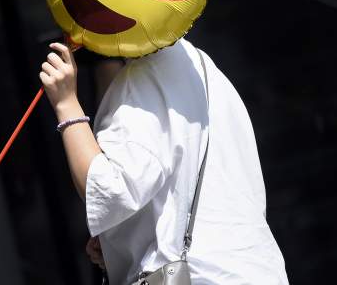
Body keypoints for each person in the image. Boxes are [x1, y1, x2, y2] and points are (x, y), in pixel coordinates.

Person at [39, 38, 288, 284]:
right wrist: (120, 241)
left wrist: (66, 104)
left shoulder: (142, 78)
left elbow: (111, 190)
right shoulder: (202, 68)